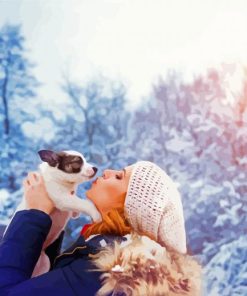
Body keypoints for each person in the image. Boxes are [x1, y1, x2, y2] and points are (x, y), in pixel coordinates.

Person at [0, 160, 202, 296]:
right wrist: (51, 228)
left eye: (119, 177)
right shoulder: (116, 270)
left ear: (129, 210)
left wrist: (34, 214)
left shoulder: (105, 275)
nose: (107, 172)